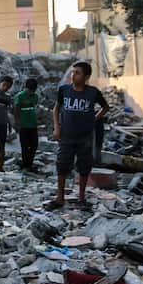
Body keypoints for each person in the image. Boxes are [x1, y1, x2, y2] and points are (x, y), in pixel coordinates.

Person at [47, 61, 109, 210]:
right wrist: (56, 128)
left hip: (85, 137)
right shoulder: (64, 90)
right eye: (73, 72)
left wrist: (94, 119)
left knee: (84, 167)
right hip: (66, 136)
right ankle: (60, 198)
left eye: (77, 73)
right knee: (62, 166)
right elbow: (56, 110)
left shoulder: (93, 92)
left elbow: (106, 107)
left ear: (86, 76)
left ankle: (81, 198)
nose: (73, 75)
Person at [14, 78, 40, 172]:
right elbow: (15, 109)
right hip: (23, 125)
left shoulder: (35, 96)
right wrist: (17, 123)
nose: (31, 92)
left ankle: (29, 164)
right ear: (26, 88)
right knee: (25, 146)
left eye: (33, 91)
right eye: (30, 90)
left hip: (33, 125)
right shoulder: (20, 96)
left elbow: (35, 108)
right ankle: (26, 165)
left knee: (34, 145)